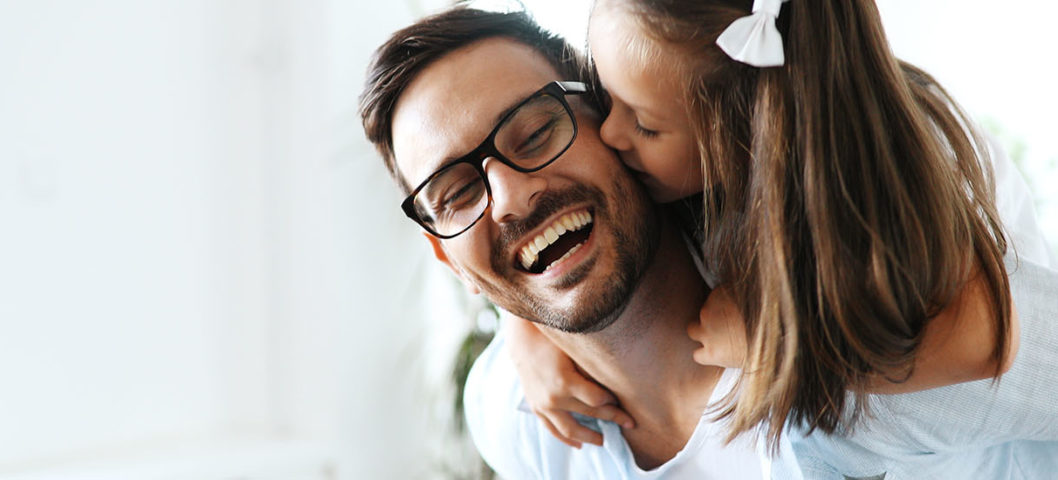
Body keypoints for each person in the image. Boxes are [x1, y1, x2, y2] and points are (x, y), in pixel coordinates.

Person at [504, 0, 1058, 477]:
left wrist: (774, 342)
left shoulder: (882, 177)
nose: (609, 132)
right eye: (605, 97)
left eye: (646, 124)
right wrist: (526, 328)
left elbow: (987, 344)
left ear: (748, 128)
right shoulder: (713, 141)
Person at [359, 7, 799, 478]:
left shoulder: (826, 315)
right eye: (458, 193)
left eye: (535, 133)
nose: (511, 199)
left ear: (611, 117)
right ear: (449, 260)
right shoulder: (509, 417)